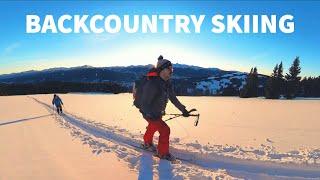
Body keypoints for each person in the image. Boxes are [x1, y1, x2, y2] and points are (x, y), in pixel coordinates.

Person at [140, 55, 190, 160]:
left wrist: (183, 109)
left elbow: (173, 98)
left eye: (172, 69)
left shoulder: (167, 83)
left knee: (153, 127)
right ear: (162, 70)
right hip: (149, 113)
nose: (171, 71)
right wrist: (149, 114)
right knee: (165, 130)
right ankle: (162, 153)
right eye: (169, 69)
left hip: (157, 112)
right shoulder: (153, 83)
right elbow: (144, 102)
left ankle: (147, 143)